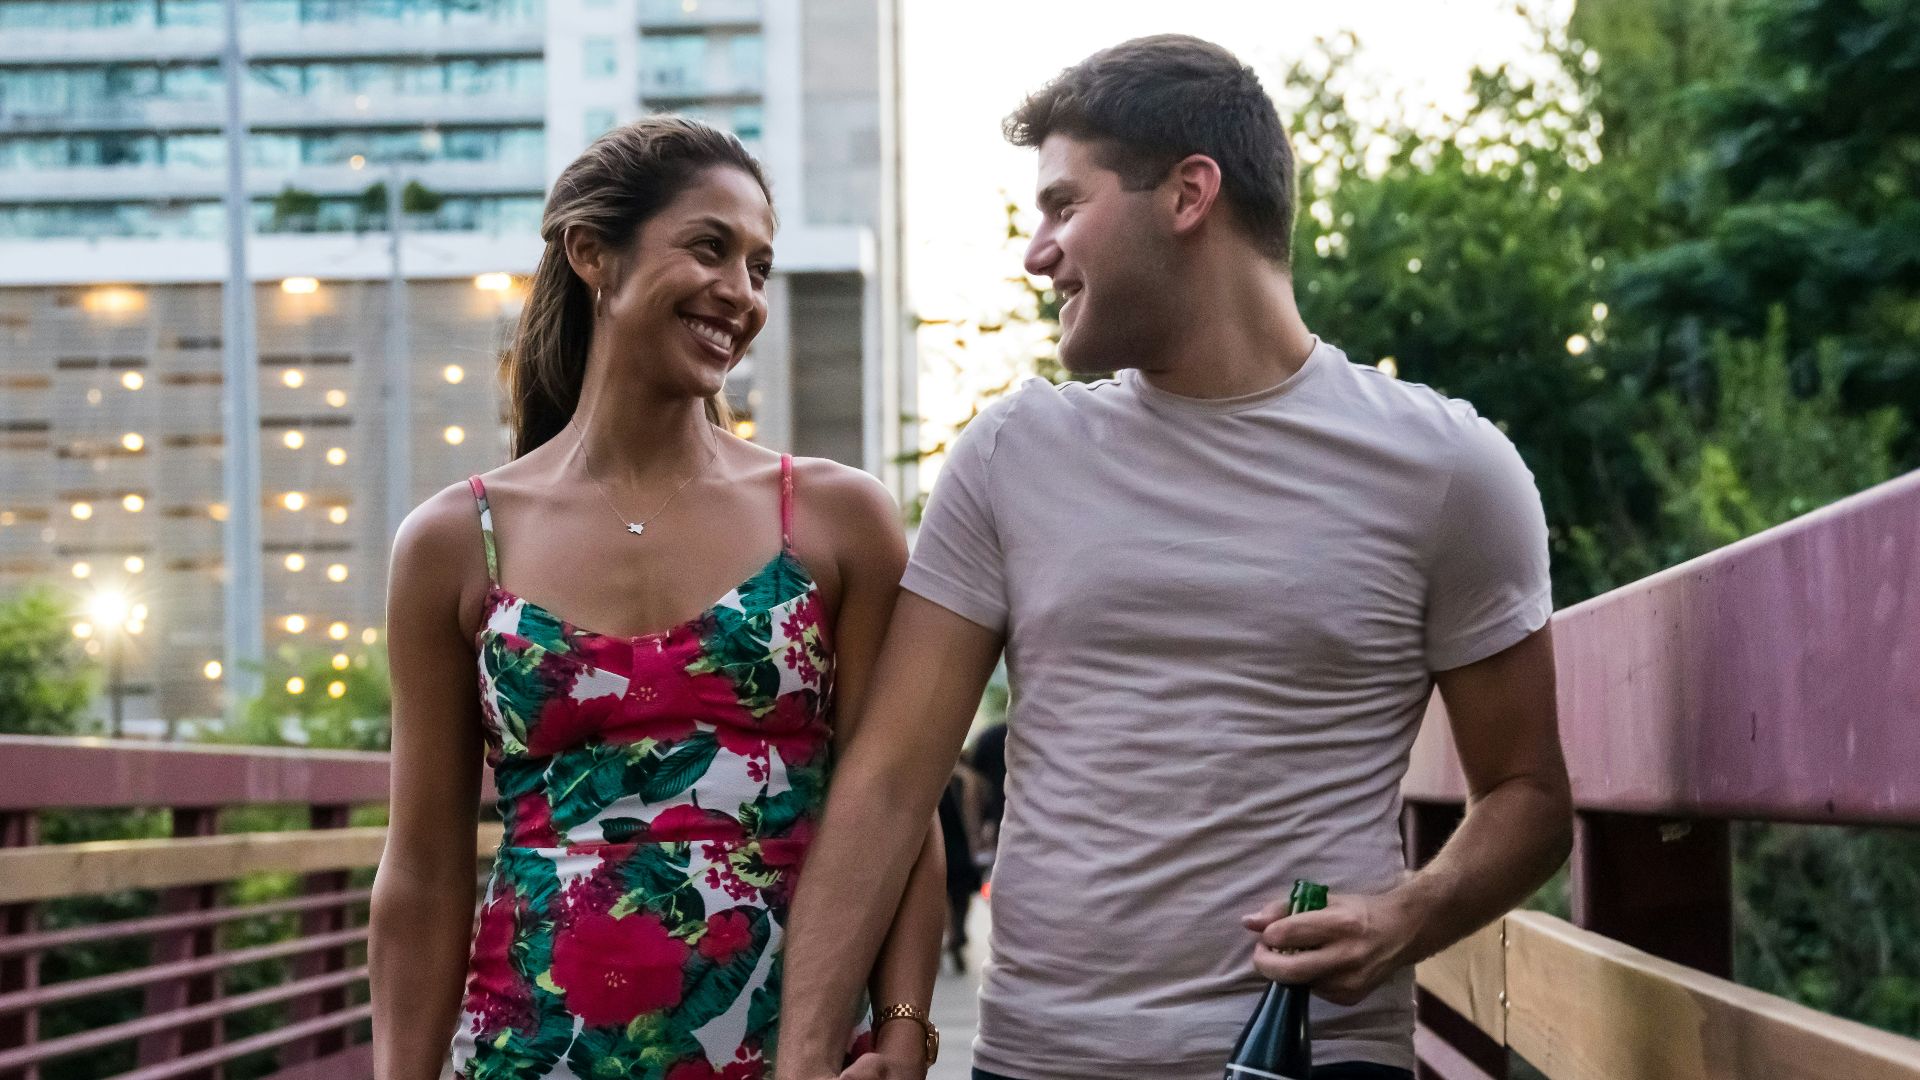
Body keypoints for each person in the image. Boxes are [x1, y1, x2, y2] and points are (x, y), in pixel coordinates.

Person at [773, 35, 1573, 1080]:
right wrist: (822, 1055)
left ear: (1191, 193)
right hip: (1041, 1058)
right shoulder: (1014, 455)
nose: (1037, 251)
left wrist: (1409, 915)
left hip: (1311, 1059)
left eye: (1065, 205)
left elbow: (1528, 795)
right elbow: (886, 786)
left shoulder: (1450, 468)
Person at [367, 117, 945, 1080]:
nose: (742, 294)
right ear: (593, 253)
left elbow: (893, 801)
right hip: (526, 1056)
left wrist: (902, 1029)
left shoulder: (836, 521)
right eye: (710, 249)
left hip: (786, 1059)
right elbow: (423, 871)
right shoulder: (454, 542)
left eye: (759, 266)